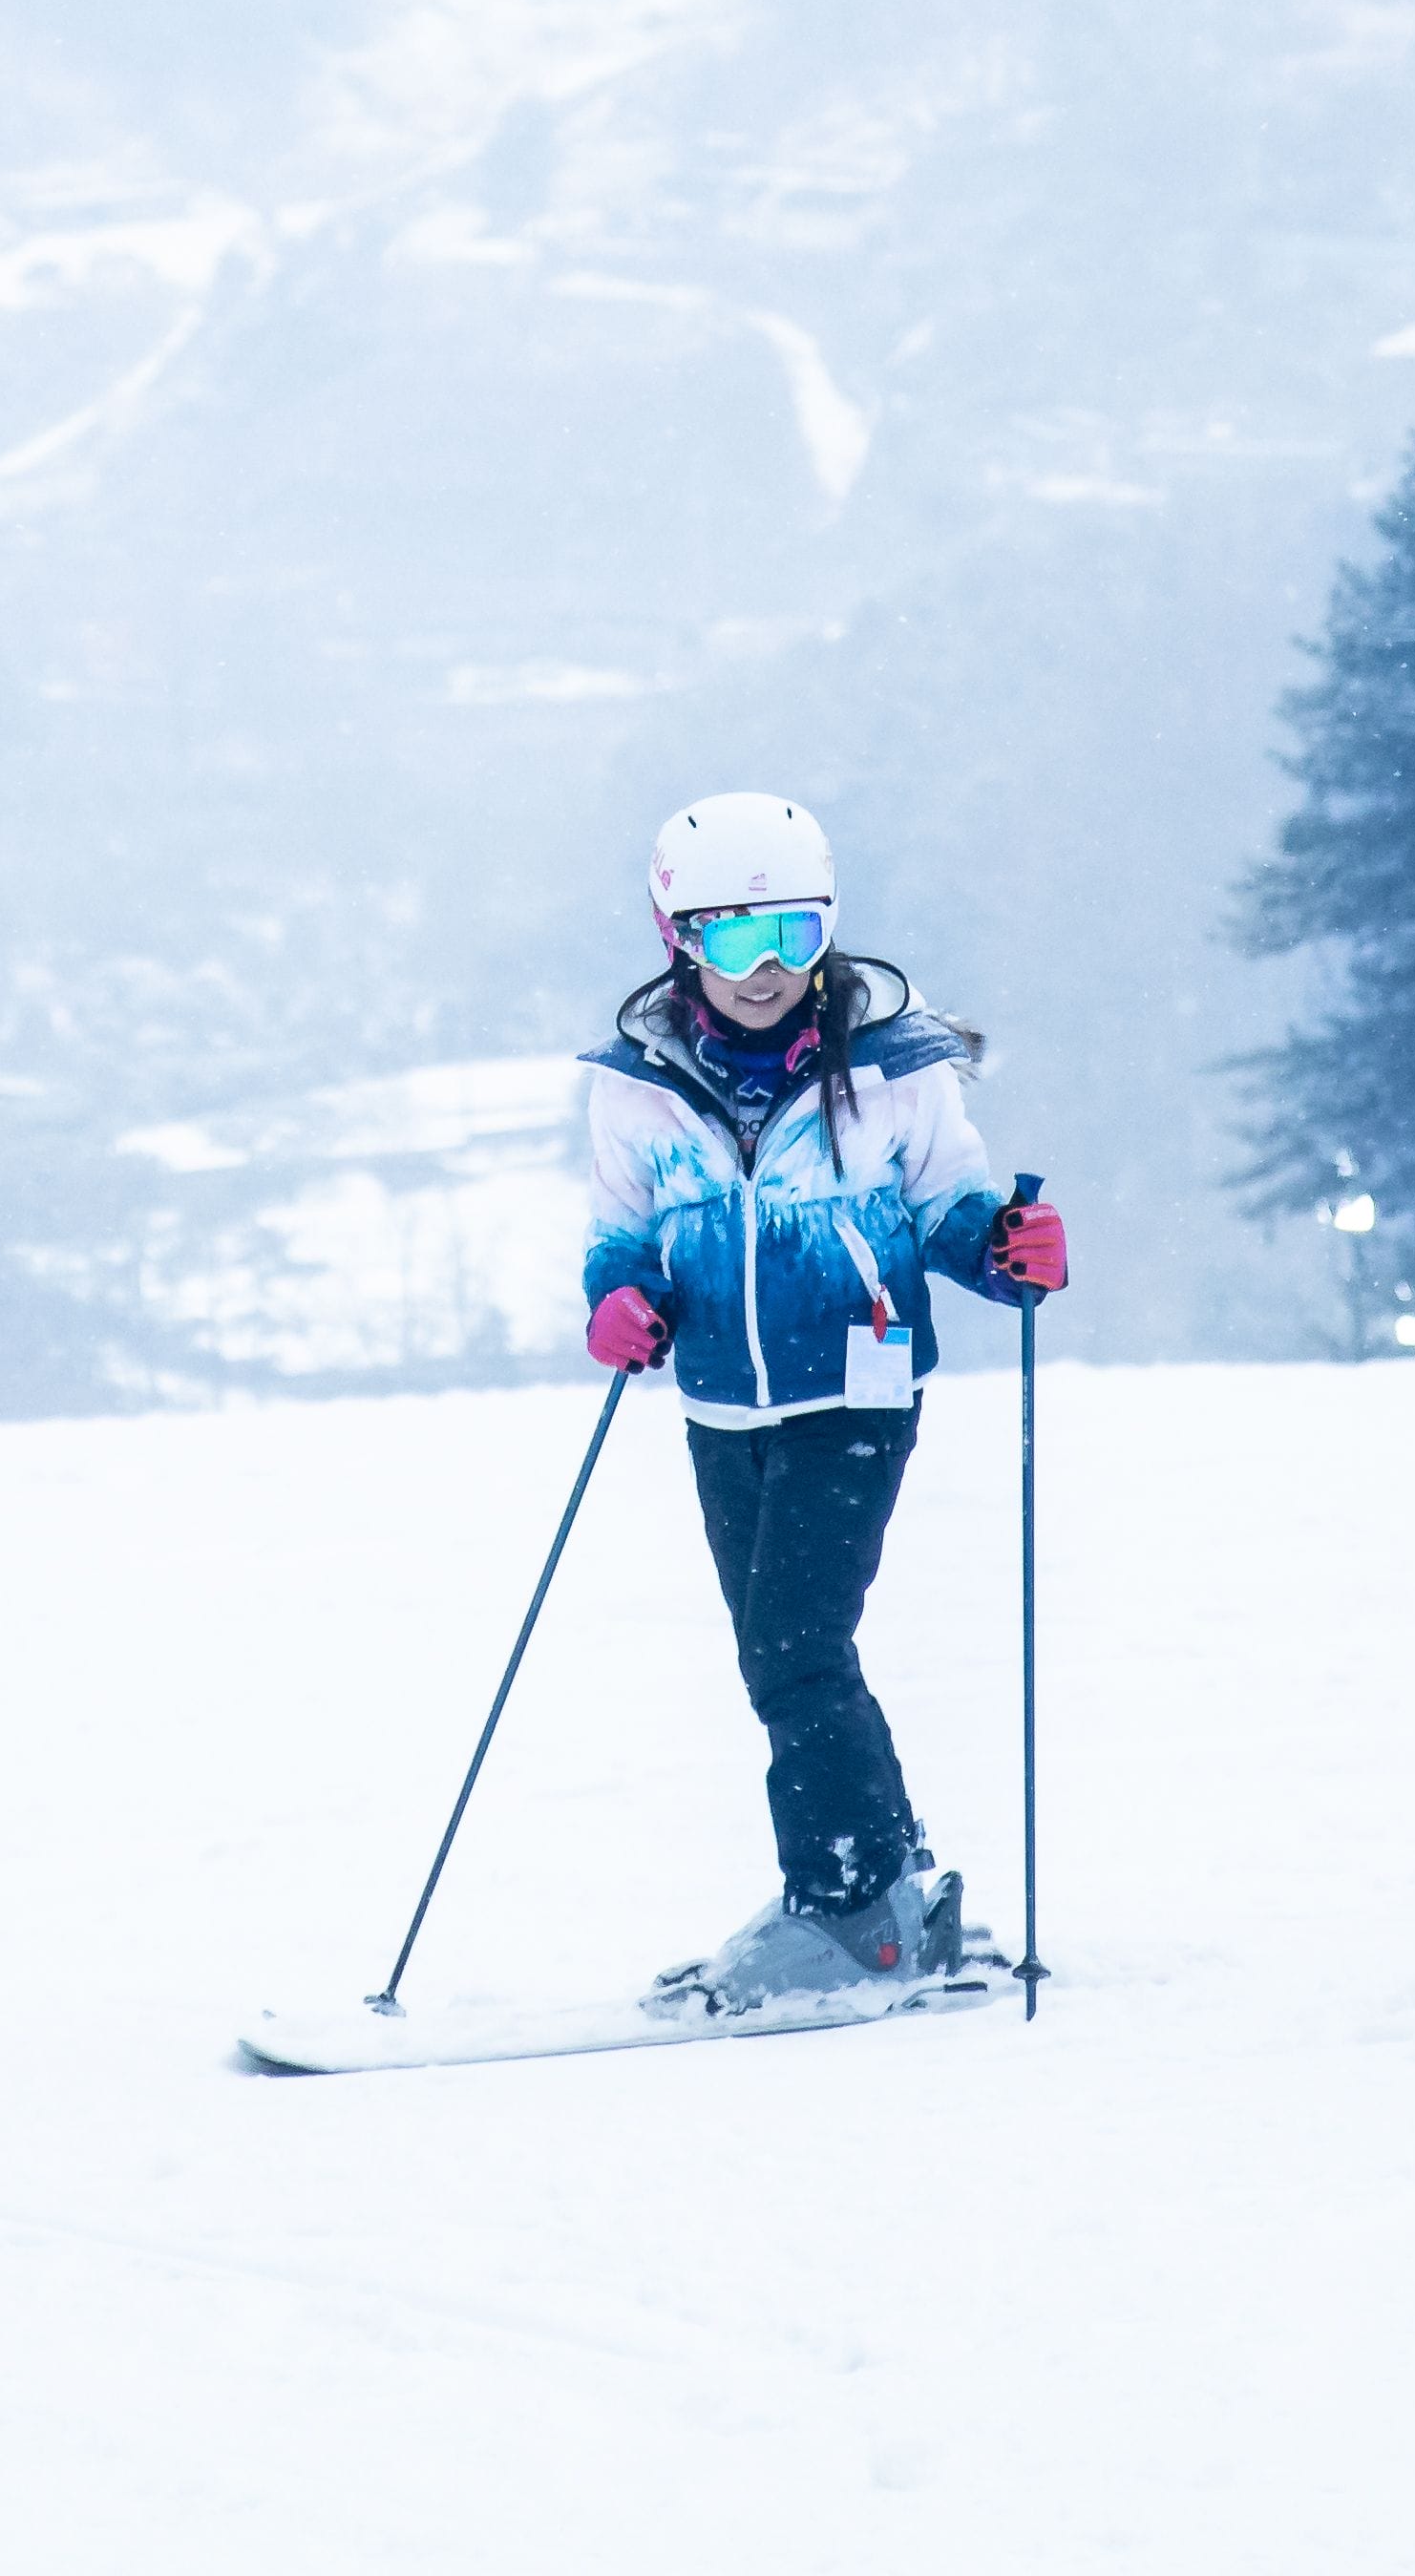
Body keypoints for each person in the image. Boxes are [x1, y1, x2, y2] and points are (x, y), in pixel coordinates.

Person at [581, 792, 1070, 2016]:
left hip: (857, 1387)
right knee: (783, 1653)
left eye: (791, 937)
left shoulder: (895, 1070)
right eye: (732, 939)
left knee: (795, 1648)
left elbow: (952, 1209)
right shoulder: (639, 1088)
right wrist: (620, 1301)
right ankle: (890, 1875)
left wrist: (1005, 1246)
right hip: (719, 1406)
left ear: (829, 930)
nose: (763, 971)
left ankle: (850, 1911)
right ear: (676, 936)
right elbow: (622, 1236)